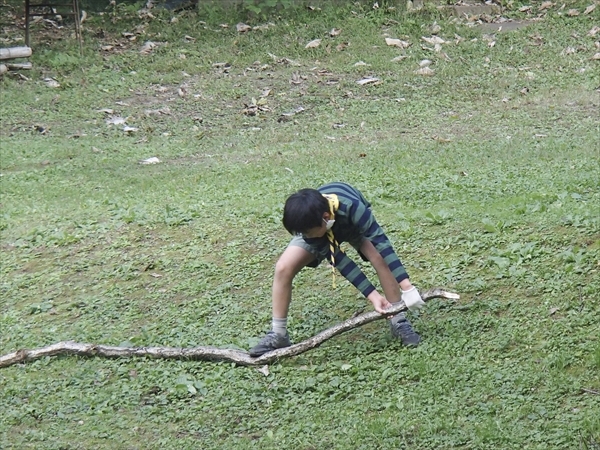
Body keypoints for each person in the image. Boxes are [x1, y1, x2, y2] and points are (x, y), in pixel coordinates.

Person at [249, 182, 425, 357]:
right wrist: (374, 296)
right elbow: (342, 263)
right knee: (283, 267)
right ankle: (278, 334)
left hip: (351, 226)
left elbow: (382, 244)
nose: (305, 237)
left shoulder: (353, 208)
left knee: (379, 256)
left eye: (307, 233)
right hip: (321, 228)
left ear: (326, 217)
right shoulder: (309, 229)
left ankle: (398, 319)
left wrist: (407, 287)